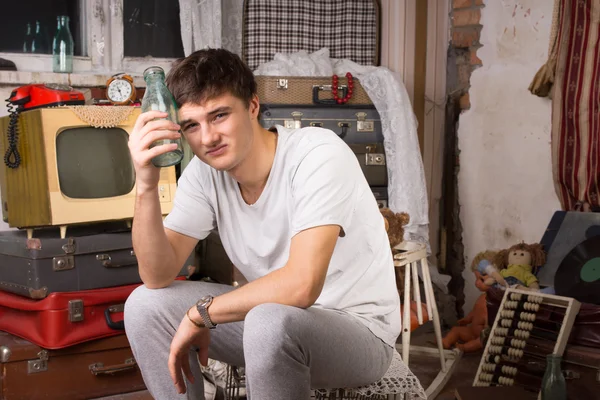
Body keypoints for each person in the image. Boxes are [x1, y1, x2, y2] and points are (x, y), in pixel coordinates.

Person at [124, 48, 401, 400]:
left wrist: (201, 314)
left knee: (269, 321)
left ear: (253, 106)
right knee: (144, 305)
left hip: (357, 333)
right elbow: (156, 274)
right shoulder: (203, 175)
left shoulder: (317, 153)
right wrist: (146, 183)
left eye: (220, 115)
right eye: (192, 125)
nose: (208, 138)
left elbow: (301, 287)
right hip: (269, 327)